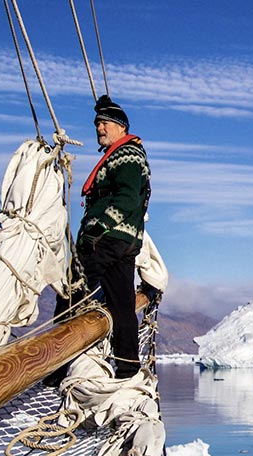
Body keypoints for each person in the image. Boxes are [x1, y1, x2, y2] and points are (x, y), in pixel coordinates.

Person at [48, 95, 151, 384]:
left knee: (71, 294)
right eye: (97, 124)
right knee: (122, 303)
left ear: (121, 127)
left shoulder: (127, 155)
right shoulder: (126, 153)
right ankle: (128, 368)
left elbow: (128, 197)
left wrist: (100, 227)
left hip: (107, 240)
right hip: (122, 241)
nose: (99, 128)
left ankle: (56, 368)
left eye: (105, 123)